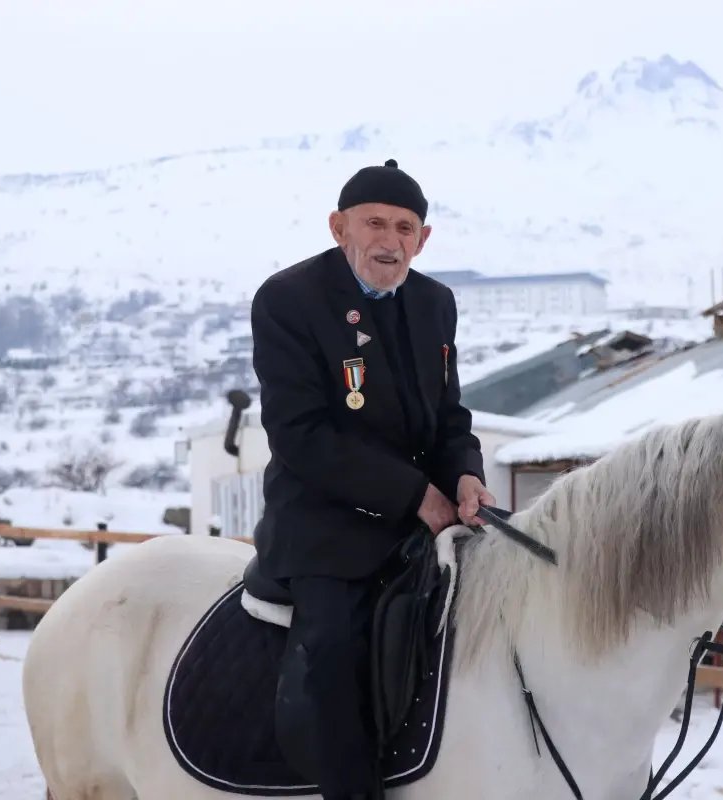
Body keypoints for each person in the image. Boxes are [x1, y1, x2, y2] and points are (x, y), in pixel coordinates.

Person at [249, 158, 495, 799]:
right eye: (375, 224)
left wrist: (465, 476)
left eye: (405, 228)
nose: (390, 241)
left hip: (429, 518)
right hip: (324, 524)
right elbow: (299, 434)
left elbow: (449, 418)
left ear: (423, 238)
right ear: (339, 227)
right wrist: (415, 495)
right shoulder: (288, 299)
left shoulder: (436, 303)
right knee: (334, 653)